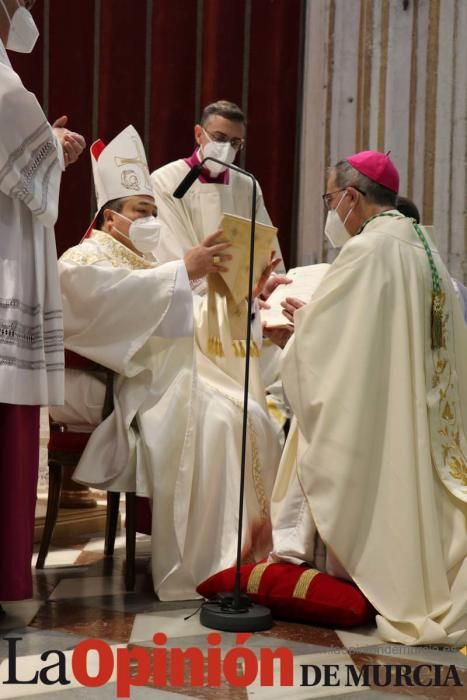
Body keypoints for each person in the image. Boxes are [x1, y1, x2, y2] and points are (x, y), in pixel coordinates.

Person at [51, 126, 281, 600]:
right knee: (221, 424)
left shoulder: (143, 261)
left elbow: (187, 314)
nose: (152, 219)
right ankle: (214, 563)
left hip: (171, 375)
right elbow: (104, 304)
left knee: (253, 415)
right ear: (109, 217)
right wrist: (182, 272)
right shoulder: (83, 257)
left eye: (155, 211)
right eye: (142, 210)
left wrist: (255, 313)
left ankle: (252, 556)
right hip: (132, 384)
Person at [268, 151, 467, 645]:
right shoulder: (422, 244)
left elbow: (336, 349)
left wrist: (297, 333)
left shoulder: (368, 250)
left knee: (319, 443)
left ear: (352, 197)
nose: (332, 210)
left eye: (331, 199)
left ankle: (323, 562)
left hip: (382, 401)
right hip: (420, 403)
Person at [0, 0, 85, 608]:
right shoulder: (3, 84)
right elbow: (30, 179)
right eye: (22, 2)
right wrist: (58, 143)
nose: (27, 11)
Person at [151, 99, 290, 432]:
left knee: (286, 354)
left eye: (235, 142)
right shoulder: (167, 180)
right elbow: (174, 252)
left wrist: (268, 283)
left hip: (244, 302)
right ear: (199, 134)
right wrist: (221, 296)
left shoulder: (247, 184)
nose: (227, 148)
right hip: (193, 306)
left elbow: (265, 246)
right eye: (219, 137)